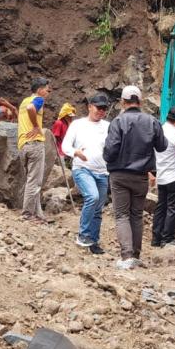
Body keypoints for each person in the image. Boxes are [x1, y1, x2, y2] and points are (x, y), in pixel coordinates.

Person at [103, 85, 167, 270]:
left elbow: (111, 149)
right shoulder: (152, 121)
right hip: (141, 177)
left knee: (122, 215)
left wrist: (108, 158)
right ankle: (136, 255)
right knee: (136, 215)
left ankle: (126, 256)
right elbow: (162, 146)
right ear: (140, 101)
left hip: (120, 175)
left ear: (123, 102)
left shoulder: (118, 121)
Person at [61, 93, 111, 255]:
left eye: (104, 108)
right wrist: (75, 152)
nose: (101, 111)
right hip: (82, 168)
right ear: (90, 107)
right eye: (99, 108)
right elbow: (65, 146)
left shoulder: (108, 126)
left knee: (98, 208)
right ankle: (83, 235)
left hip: (102, 171)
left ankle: (93, 241)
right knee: (92, 197)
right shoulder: (77, 125)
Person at [151, 105, 175, 248]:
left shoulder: (159, 131)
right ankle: (167, 238)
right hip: (174, 176)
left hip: (161, 176)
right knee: (173, 208)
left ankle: (156, 239)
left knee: (160, 208)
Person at [17, 77, 52, 224]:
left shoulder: (24, 101)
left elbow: (28, 109)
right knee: (35, 182)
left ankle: (38, 214)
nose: (48, 92)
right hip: (35, 144)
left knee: (31, 179)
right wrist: (36, 127)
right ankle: (27, 214)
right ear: (39, 89)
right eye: (47, 89)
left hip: (23, 144)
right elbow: (32, 109)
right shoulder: (38, 99)